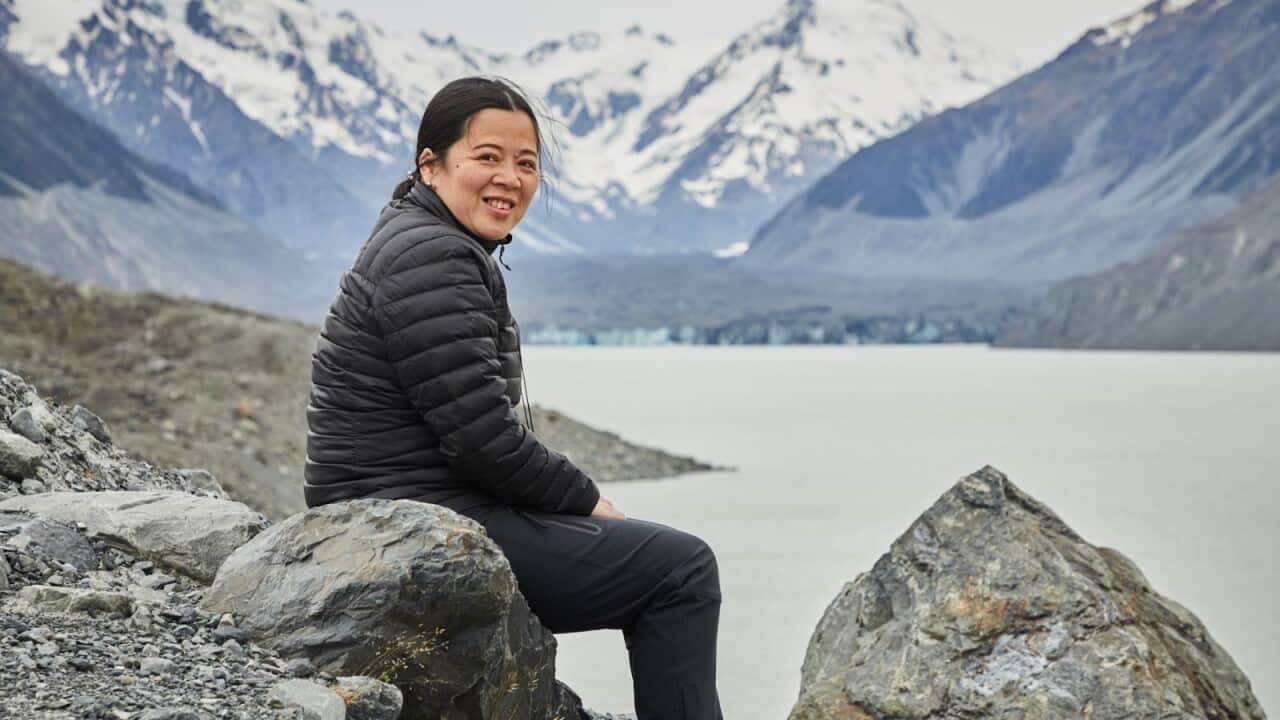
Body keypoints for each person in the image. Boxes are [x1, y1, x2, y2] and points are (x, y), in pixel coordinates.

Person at [303, 76, 723, 720]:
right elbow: (481, 440)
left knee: (654, 559)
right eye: (487, 157)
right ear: (431, 165)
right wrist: (586, 500)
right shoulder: (433, 256)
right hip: (405, 527)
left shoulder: (423, 239)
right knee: (681, 571)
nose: (510, 177)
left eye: (526, 163)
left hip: (399, 508)